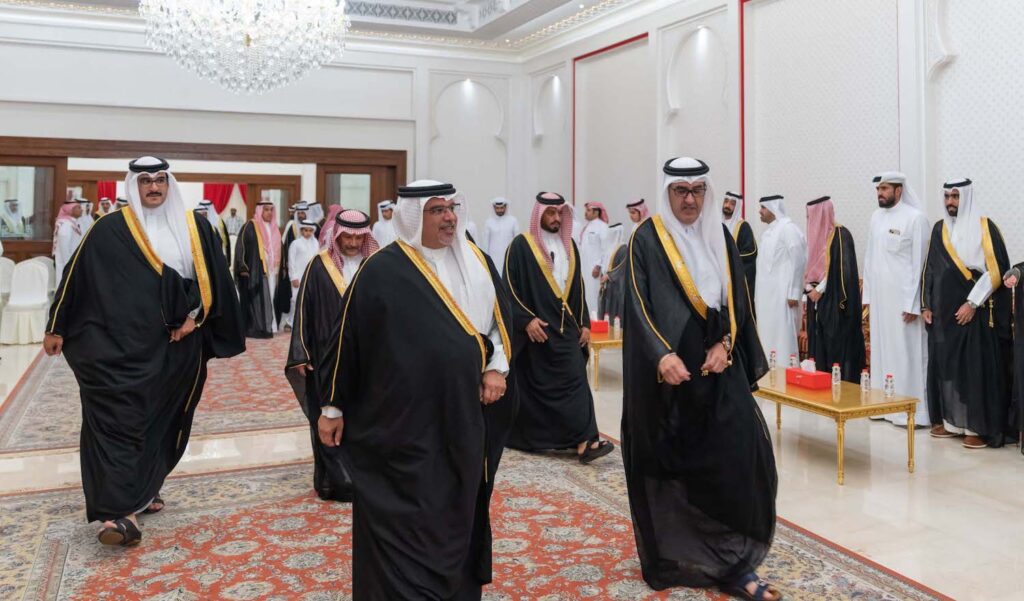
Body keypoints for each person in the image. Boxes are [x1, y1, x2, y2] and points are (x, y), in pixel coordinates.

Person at [318, 180, 513, 599]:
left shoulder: (476, 260)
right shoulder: (382, 270)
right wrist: (332, 407)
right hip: (401, 424)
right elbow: (347, 341)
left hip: (463, 415)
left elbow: (501, 324)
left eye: (451, 208)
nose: (449, 218)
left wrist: (496, 368)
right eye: (437, 210)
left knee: (460, 500)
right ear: (411, 216)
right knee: (408, 511)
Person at [42, 156, 244, 547]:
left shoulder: (195, 226)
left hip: (176, 347)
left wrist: (196, 319)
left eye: (160, 180)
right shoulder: (109, 229)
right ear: (133, 186)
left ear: (169, 184)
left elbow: (216, 281)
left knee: (162, 420)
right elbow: (76, 276)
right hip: (118, 350)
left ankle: (145, 487)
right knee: (118, 420)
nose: (153, 187)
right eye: (146, 180)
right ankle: (118, 514)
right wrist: (57, 325)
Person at [622, 156, 778, 600]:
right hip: (670, 374)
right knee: (677, 462)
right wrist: (660, 355)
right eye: (680, 191)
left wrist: (726, 344)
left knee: (741, 452)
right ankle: (694, 555)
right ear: (667, 192)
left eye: (697, 191)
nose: (689, 200)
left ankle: (734, 558)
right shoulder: (646, 238)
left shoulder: (720, 235)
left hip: (718, 364)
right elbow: (636, 302)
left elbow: (736, 299)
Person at [504, 192, 613, 462]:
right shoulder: (521, 246)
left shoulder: (570, 246)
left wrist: (584, 323)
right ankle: (559, 438)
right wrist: (525, 321)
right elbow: (508, 289)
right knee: (538, 389)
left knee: (576, 378)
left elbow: (577, 288)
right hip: (538, 332)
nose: (555, 219)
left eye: (559, 214)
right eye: (550, 213)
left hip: (566, 331)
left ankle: (586, 440)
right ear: (539, 214)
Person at [286, 214, 372, 502]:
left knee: (361, 417)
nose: (353, 243)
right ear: (337, 236)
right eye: (348, 236)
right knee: (325, 415)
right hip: (325, 357)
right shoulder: (319, 266)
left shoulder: (374, 265)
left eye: (359, 237)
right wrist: (300, 352)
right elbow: (303, 309)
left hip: (366, 358)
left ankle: (361, 477)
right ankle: (334, 482)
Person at [922, 179, 1011, 448]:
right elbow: (930, 269)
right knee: (948, 366)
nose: (950, 202)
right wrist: (926, 305)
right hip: (944, 312)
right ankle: (952, 423)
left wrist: (972, 303)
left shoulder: (985, 227)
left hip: (976, 310)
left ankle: (976, 427)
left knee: (973, 367)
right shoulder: (940, 228)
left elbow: (996, 271)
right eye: (947, 197)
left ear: (966, 198)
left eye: (956, 197)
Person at [863, 172, 930, 427]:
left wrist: (914, 303)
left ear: (899, 190)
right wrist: (868, 297)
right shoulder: (876, 217)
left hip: (904, 302)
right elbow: (870, 259)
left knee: (906, 353)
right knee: (882, 351)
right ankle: (884, 405)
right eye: (878, 189)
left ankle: (912, 411)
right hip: (881, 301)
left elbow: (921, 265)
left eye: (884, 189)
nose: (879, 193)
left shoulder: (915, 218)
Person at [804, 196, 864, 382]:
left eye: (812, 215)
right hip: (815, 301)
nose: (809, 219)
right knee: (818, 346)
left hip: (835, 304)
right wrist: (808, 288)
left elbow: (842, 271)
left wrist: (819, 290)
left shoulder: (841, 235)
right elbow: (807, 268)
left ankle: (840, 388)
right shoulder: (812, 238)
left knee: (835, 348)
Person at [754, 195, 806, 365]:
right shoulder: (768, 232)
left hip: (783, 296)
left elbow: (799, 260)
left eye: (763, 207)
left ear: (773, 209)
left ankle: (786, 372)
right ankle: (768, 373)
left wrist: (794, 293)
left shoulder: (788, 229)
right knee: (766, 335)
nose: (760, 211)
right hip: (766, 298)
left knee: (783, 336)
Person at [234, 201, 283, 338]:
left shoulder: (274, 228)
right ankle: (256, 326)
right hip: (256, 271)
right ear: (260, 210)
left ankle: (270, 325)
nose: (269, 212)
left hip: (272, 271)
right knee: (256, 298)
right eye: (266, 209)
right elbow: (240, 246)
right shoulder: (250, 226)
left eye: (271, 210)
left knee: (270, 297)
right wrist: (242, 266)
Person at [279, 202, 311, 329]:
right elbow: (286, 246)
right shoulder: (291, 226)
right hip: (295, 269)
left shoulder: (311, 229)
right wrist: (287, 268)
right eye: (300, 213)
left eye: (304, 213)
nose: (302, 215)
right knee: (294, 297)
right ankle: (290, 321)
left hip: (308, 270)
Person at [284, 219, 319, 331]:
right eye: (305, 230)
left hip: (311, 276)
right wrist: (293, 277)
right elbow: (291, 261)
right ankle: (290, 322)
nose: (308, 233)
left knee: (310, 300)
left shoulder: (316, 243)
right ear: (301, 230)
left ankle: (306, 323)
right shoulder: (295, 243)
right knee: (295, 299)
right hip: (298, 276)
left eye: (310, 230)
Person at [578, 201, 610, 317]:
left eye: (588, 210)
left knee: (594, 295)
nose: (585, 213)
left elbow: (606, 249)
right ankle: (587, 320)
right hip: (584, 268)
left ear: (596, 212)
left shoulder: (603, 227)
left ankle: (596, 321)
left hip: (594, 270)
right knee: (585, 294)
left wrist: (598, 265)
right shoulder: (586, 227)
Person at [722, 191, 757, 291]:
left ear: (737, 207)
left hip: (735, 275)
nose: (727, 205)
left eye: (732, 204)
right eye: (726, 201)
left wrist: (730, 258)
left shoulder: (743, 226)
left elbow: (751, 252)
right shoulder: (717, 224)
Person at [598, 222, 627, 322]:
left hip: (618, 286)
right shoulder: (609, 248)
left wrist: (609, 276)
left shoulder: (623, 249)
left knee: (615, 310)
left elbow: (622, 267)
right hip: (608, 285)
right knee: (605, 309)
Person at [482, 197, 519, 273]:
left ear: (505, 207)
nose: (499, 210)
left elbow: (517, 240)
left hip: (509, 256)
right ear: (494, 208)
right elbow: (485, 243)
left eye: (502, 208)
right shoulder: (489, 222)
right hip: (493, 257)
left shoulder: (513, 221)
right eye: (497, 208)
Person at [53, 199, 84, 277]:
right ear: (70, 210)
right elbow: (65, 250)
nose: (82, 210)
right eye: (79, 208)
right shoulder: (65, 225)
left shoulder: (72, 224)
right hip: (67, 266)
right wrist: (70, 265)